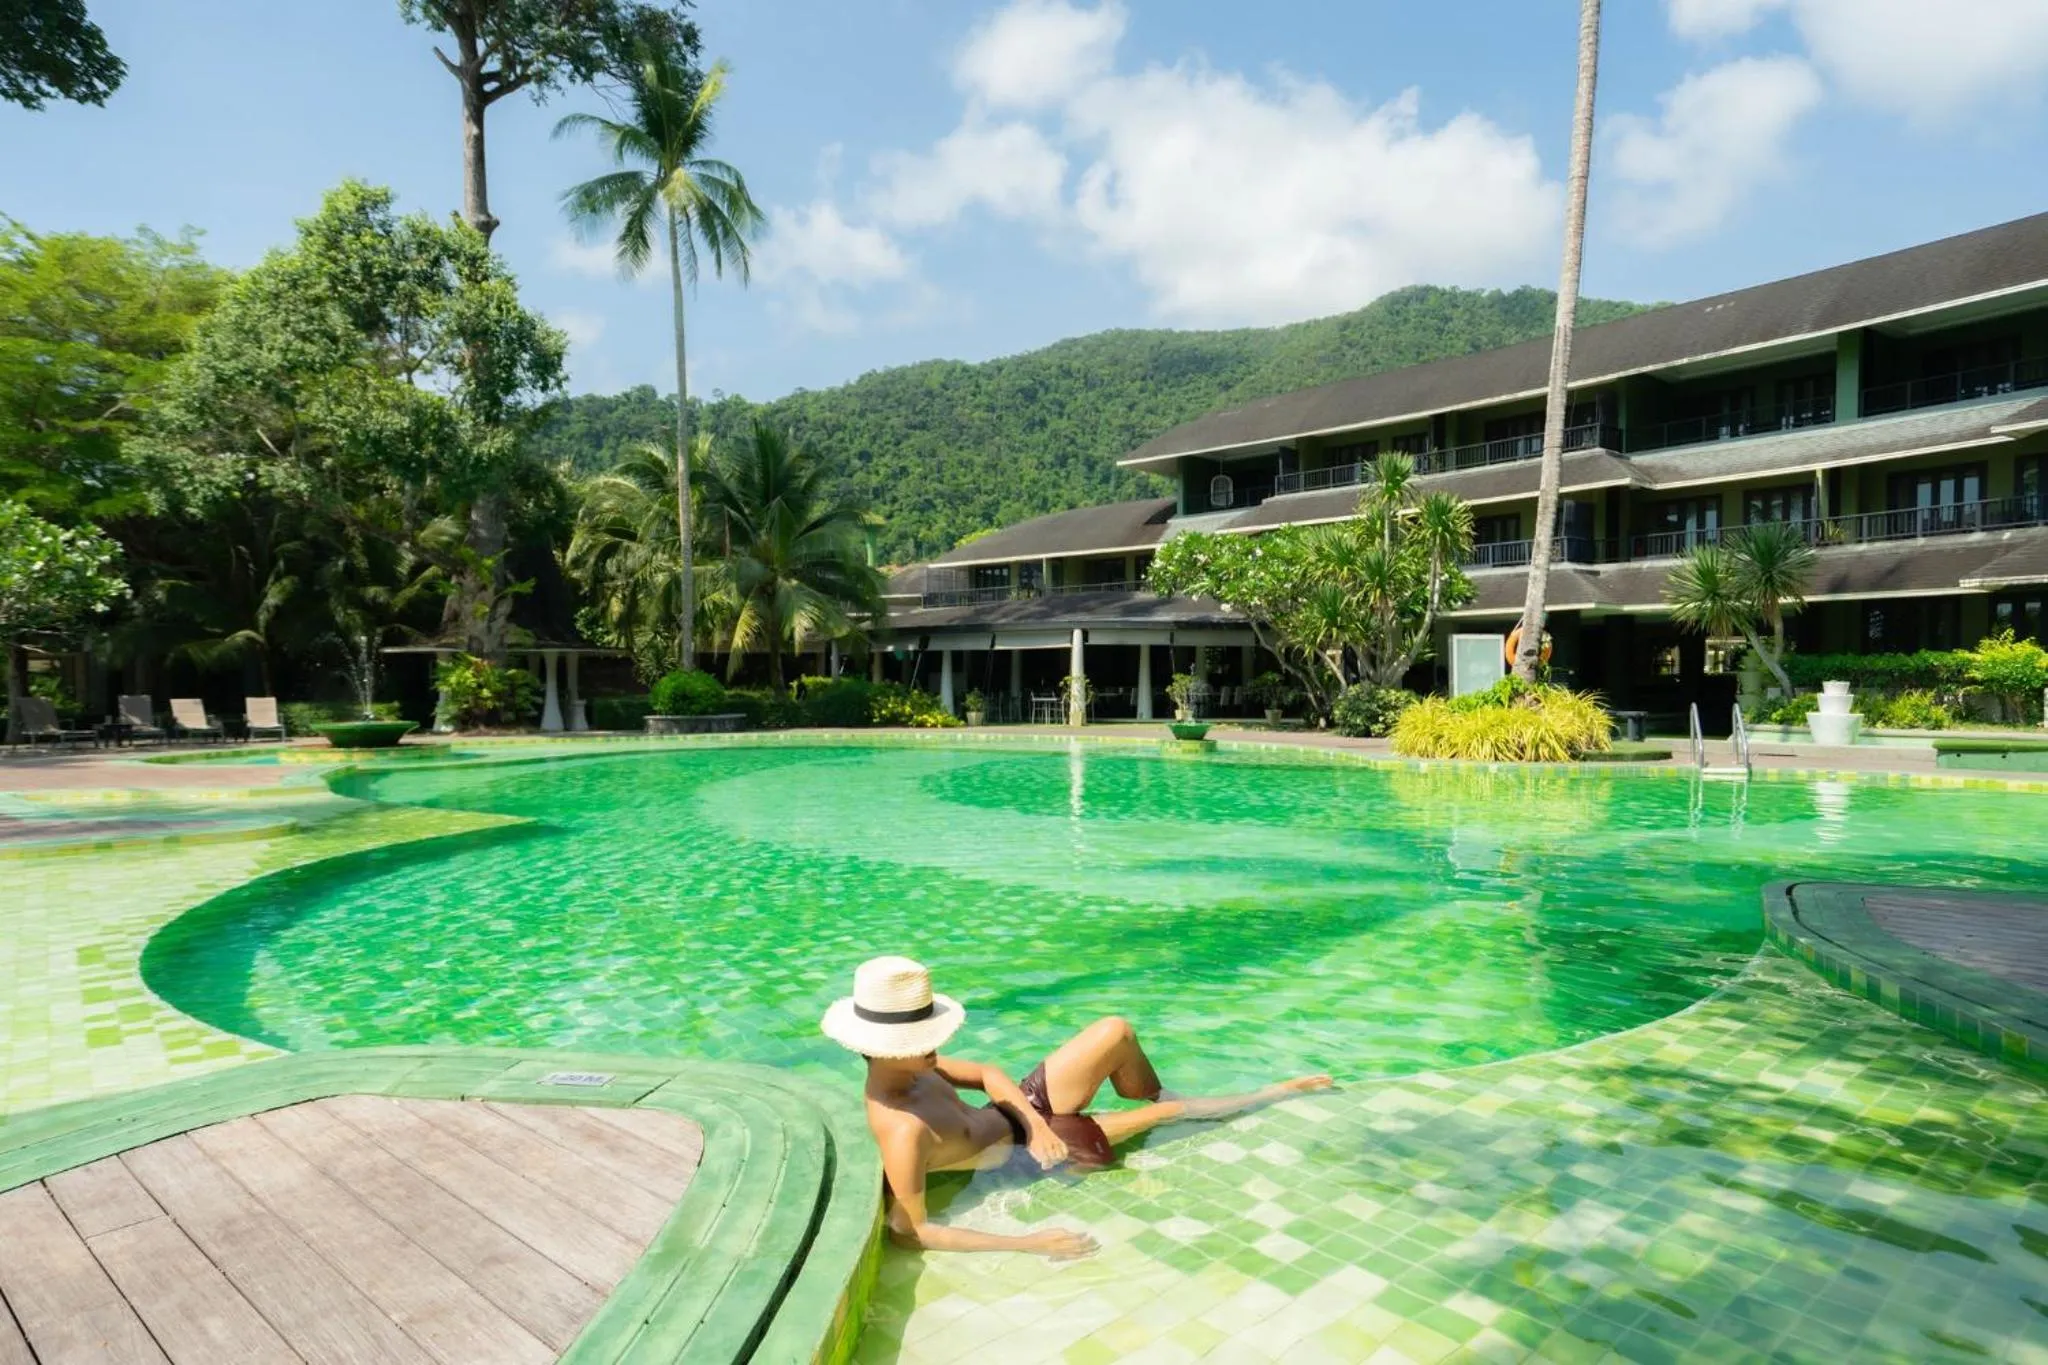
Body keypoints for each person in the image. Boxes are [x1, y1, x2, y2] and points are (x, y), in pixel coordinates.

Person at [821, 955, 1332, 1259]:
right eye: (923, 1035)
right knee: (1169, 1118)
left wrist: (1030, 1118)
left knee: (1115, 1031)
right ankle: (1275, 1094)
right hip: (1024, 1156)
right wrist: (1029, 1244)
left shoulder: (918, 1064)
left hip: (1024, 1119)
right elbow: (911, 1233)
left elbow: (987, 1074)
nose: (936, 1041)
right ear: (885, 1046)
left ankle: (1156, 1091)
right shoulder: (901, 1130)